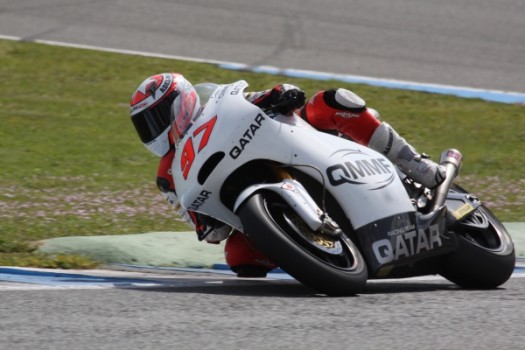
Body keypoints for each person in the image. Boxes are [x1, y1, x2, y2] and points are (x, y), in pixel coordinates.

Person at [129, 73, 446, 277]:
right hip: (242, 194)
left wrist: (280, 94)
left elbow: (255, 99)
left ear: (181, 101)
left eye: (156, 118)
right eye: (146, 124)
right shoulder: (167, 176)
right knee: (239, 257)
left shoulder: (215, 102)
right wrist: (207, 223)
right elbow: (206, 230)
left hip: (294, 142)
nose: (154, 130)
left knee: (331, 101)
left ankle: (415, 164)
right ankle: (311, 251)